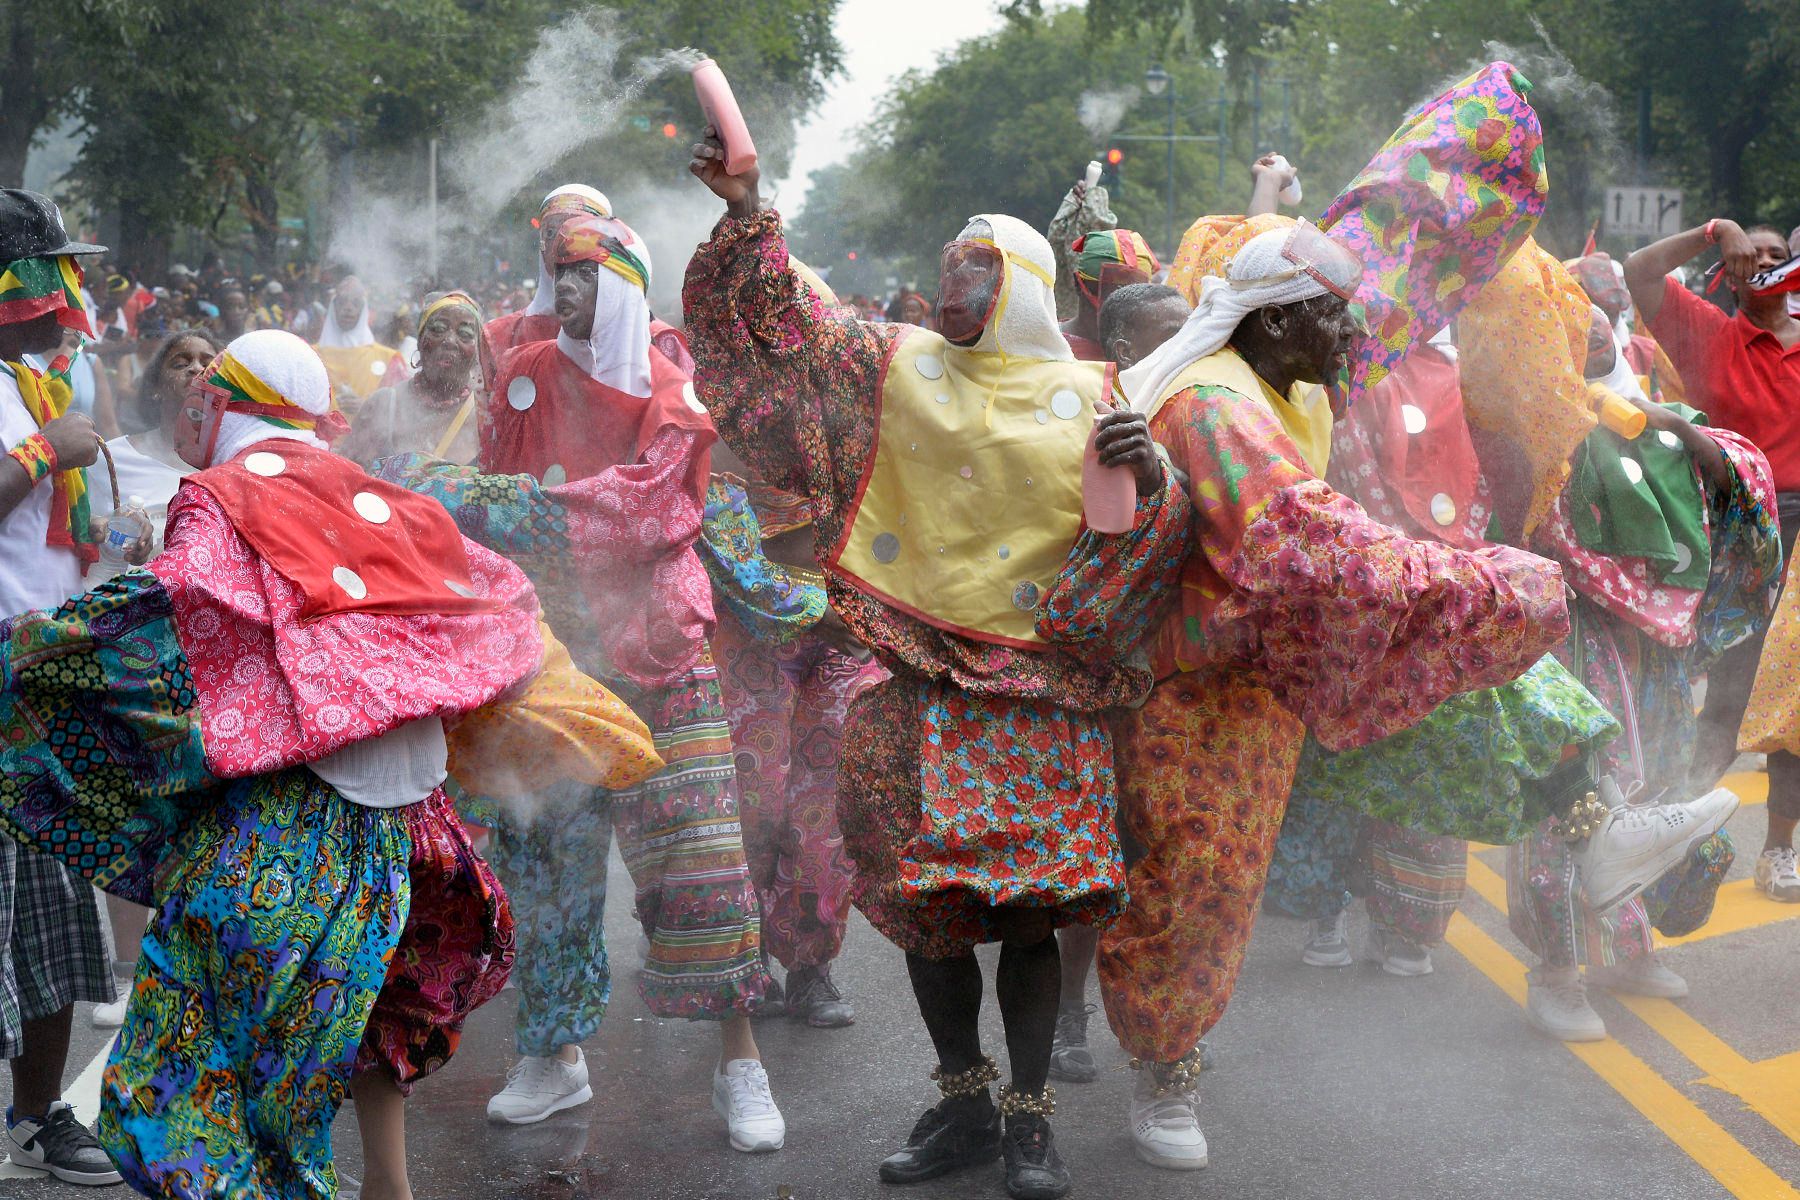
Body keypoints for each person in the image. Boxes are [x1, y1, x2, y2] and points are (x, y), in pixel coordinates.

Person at [0, 326, 664, 1199]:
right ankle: (389, 1190)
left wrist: (36, 649)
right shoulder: (387, 500)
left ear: (219, 406)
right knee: (372, 1014)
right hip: (418, 838)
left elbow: (186, 597)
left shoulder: (221, 496)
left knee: (195, 1068)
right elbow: (496, 591)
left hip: (296, 831)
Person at [685, 130, 1192, 1200]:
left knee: (1029, 916)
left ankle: (1031, 1121)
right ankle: (963, 1100)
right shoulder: (892, 364)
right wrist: (747, 215)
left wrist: (1155, 486)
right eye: (952, 262)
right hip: (914, 688)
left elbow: (1148, 540)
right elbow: (788, 340)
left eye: (980, 265)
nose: (957, 280)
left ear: (1024, 286)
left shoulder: (1100, 390)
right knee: (928, 909)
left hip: (1043, 697)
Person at [380, 212, 786, 1153]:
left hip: (653, 651)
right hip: (551, 656)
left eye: (583, 275)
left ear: (628, 284)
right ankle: (553, 1054)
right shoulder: (516, 371)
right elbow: (479, 489)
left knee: (701, 860)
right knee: (544, 862)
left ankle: (741, 1062)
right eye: (553, 272)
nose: (562, 291)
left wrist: (475, 500)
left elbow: (641, 510)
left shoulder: (670, 389)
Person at [0, 187, 120, 1188]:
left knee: (46, 901)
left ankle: (37, 1116)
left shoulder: (40, 381)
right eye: (55, 269)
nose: (70, 288)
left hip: (47, 676)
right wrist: (47, 451)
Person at [1625, 219, 1800, 901]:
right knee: (1729, 693)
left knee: (1794, 700)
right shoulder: (1707, 331)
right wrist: (1710, 230)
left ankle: (1779, 851)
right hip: (1741, 530)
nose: (1763, 262)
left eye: (1777, 255)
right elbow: (1641, 270)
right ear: (1728, 268)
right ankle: (1673, 827)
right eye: (1749, 253)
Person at [82, 327, 221, 1031]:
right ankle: (132, 973)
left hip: (211, 657)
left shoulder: (230, 458)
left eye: (206, 361)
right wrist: (121, 536)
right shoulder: (121, 458)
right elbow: (96, 545)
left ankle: (192, 962)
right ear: (156, 377)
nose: (195, 371)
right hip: (139, 653)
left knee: (201, 807)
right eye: (180, 360)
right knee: (132, 801)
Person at [342, 291, 487, 467]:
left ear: (478, 349)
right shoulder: (383, 404)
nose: (449, 340)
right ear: (419, 339)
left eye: (465, 333)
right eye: (438, 329)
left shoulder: (488, 416)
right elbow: (346, 479)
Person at [483, 184, 614, 355]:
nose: (562, 243)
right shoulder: (497, 337)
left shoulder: (638, 337)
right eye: (551, 232)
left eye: (578, 232)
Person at [1057, 229, 1159, 360]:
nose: (1121, 310)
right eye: (1109, 293)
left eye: (1135, 296)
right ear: (1077, 284)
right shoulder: (1046, 345)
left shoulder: (1151, 352)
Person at [314, 275, 399, 412]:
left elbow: (402, 409)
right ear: (333, 306)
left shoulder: (388, 359)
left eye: (356, 303)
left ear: (364, 308)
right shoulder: (311, 356)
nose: (348, 307)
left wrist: (368, 407)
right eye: (342, 302)